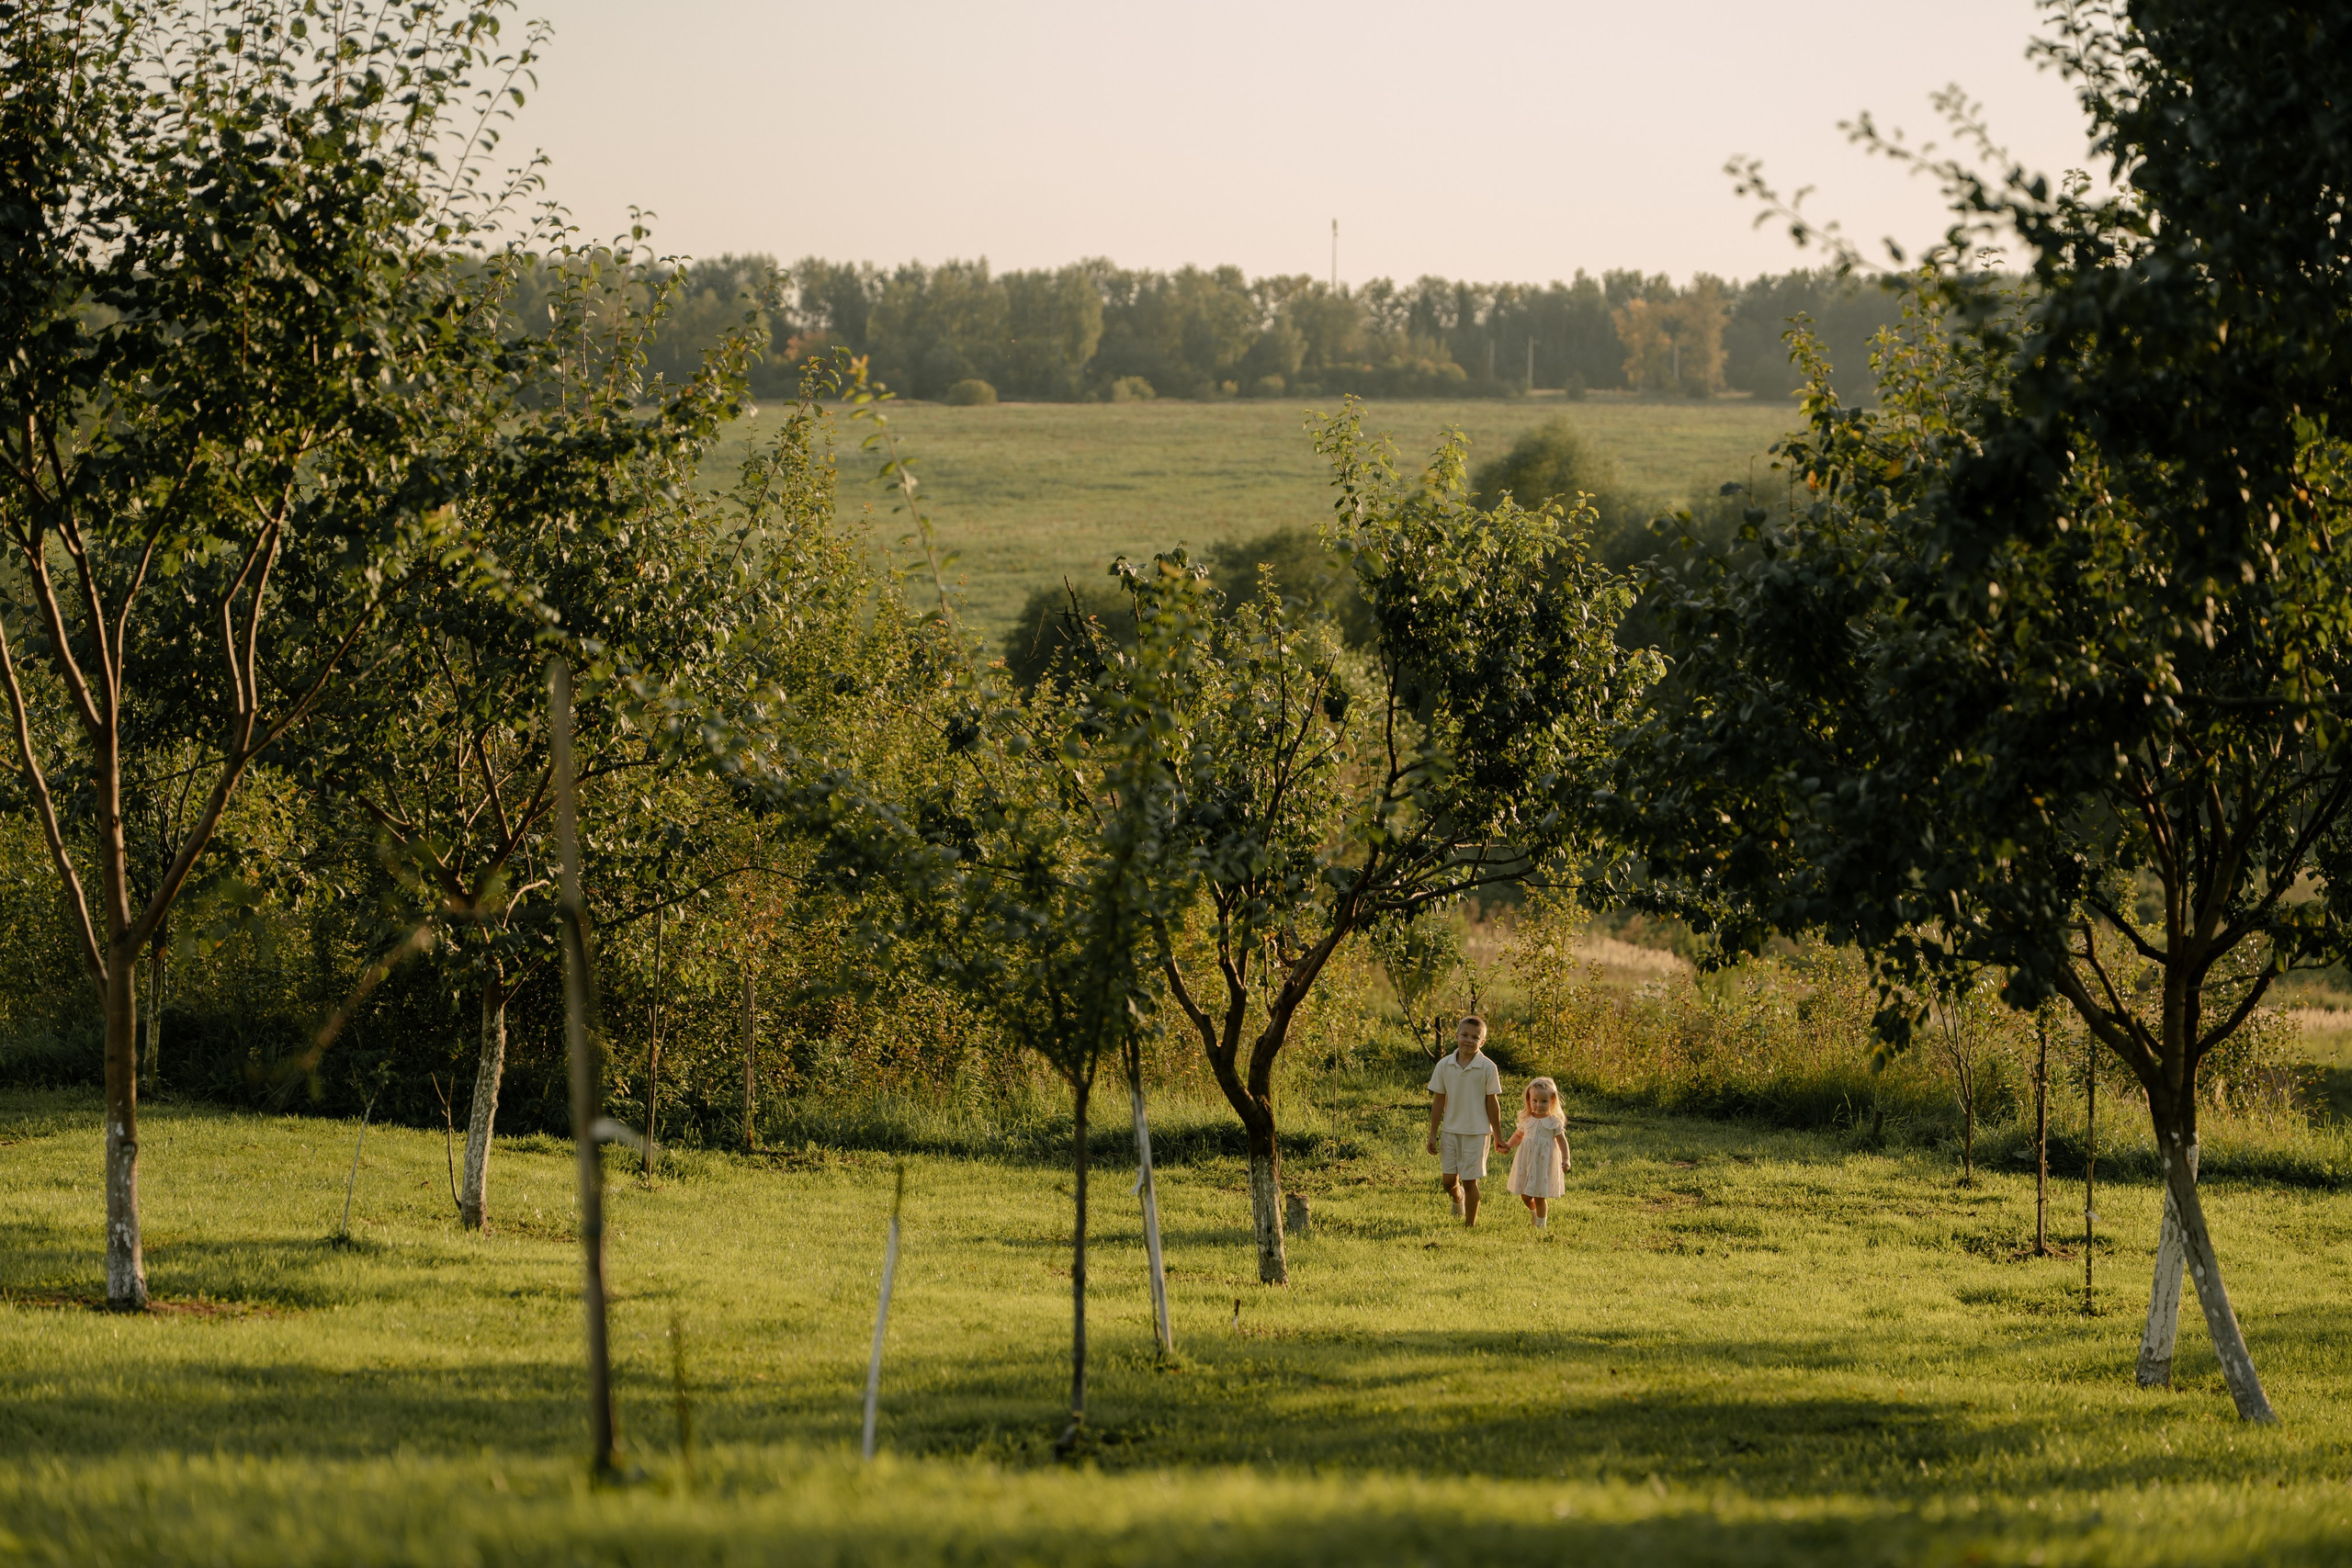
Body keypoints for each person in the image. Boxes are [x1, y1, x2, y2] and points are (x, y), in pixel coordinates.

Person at [1425, 1015, 1503, 1225]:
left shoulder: (1488, 1067)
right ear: (1456, 1035)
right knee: (1448, 1181)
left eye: (1475, 1037)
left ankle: (1470, 1225)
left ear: (1482, 1042)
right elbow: (1439, 1100)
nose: (1469, 1040)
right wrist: (1433, 1133)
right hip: (1451, 1131)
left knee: (1470, 1181)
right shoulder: (1444, 1065)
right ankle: (1457, 1197)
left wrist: (1497, 1135)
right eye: (1465, 1035)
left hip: (1477, 1133)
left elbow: (1492, 1102)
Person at [1501, 1075, 1569, 1231]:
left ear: (1552, 1101)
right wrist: (1508, 1146)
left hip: (1543, 1162)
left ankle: (1541, 1225)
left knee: (1539, 1195)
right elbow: (1519, 1135)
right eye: (1535, 1101)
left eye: (1544, 1101)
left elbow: (1562, 1141)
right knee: (1525, 1194)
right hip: (1526, 1160)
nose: (1539, 1105)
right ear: (1529, 1100)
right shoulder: (1527, 1119)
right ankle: (1534, 1213)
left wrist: (1566, 1159)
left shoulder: (1554, 1122)